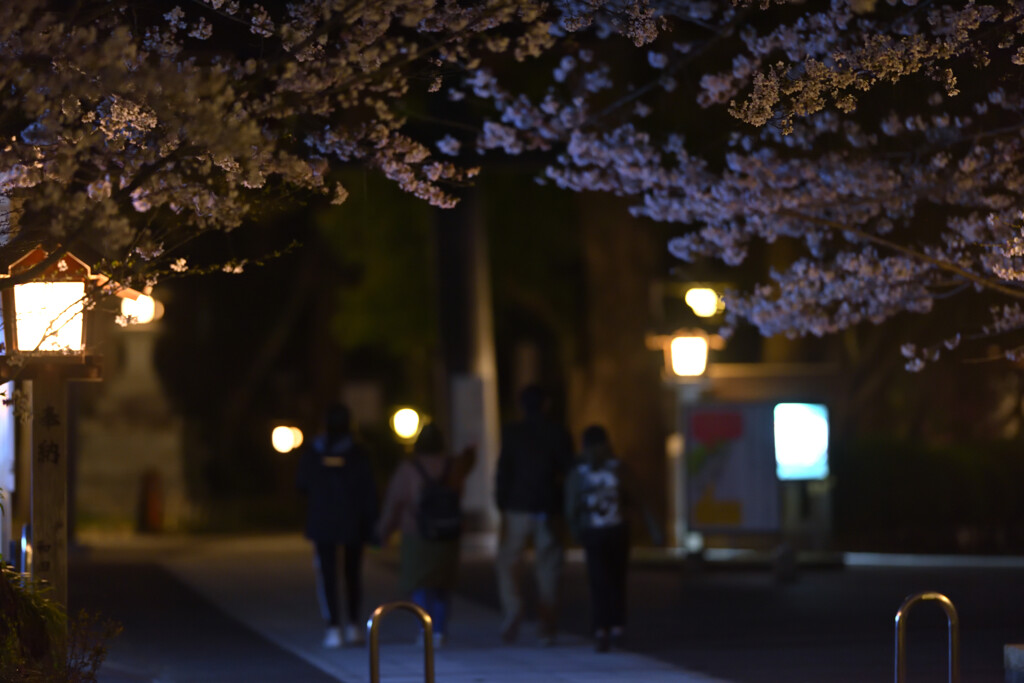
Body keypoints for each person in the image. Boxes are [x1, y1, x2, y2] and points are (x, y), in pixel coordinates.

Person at [377, 422, 475, 647]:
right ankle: (440, 631)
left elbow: (394, 502)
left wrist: (383, 532)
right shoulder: (453, 466)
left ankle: (425, 630)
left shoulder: (409, 468)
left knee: (421, 584)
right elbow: (468, 469)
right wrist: (470, 452)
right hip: (448, 532)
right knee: (443, 585)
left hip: (417, 533)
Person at [565, 424, 663, 652]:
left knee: (597, 580)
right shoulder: (619, 468)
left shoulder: (579, 472)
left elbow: (571, 507)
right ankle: (618, 625)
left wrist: (575, 531)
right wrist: (654, 530)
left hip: (593, 532)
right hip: (617, 530)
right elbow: (640, 499)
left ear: (584, 445)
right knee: (617, 578)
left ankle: (601, 628)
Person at [494, 384, 574, 645]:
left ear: (521, 405)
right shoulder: (558, 432)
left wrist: (502, 501)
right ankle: (546, 624)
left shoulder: (513, 433)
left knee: (508, 559)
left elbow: (504, 469)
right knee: (549, 564)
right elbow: (569, 469)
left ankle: (513, 607)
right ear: (546, 404)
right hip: (548, 504)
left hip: (518, 504)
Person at [297, 402, 378, 649]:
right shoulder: (358, 452)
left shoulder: (313, 451)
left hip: (322, 521)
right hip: (353, 521)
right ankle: (354, 625)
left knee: (327, 576)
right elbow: (369, 490)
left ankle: (333, 628)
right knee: (353, 575)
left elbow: (301, 484)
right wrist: (371, 522)